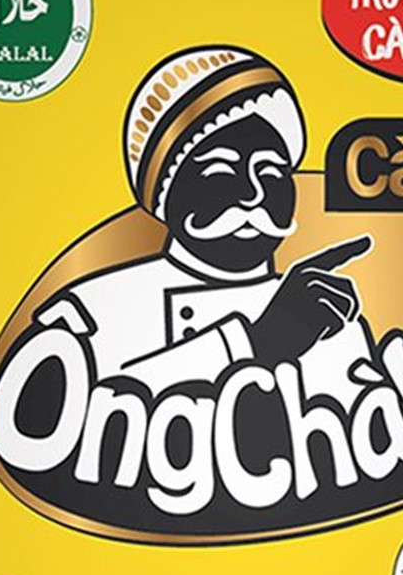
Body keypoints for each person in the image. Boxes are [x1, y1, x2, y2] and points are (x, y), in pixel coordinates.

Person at [38, 45, 375, 404]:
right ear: (164, 194)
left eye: (271, 172)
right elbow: (40, 424)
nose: (253, 194)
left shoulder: (325, 310)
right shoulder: (87, 314)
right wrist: (254, 344)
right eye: (220, 170)